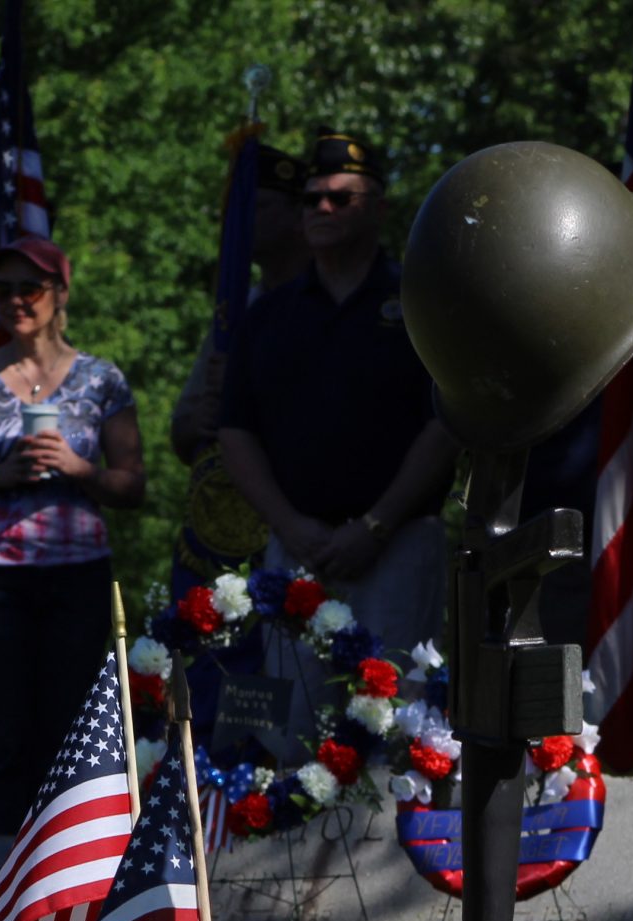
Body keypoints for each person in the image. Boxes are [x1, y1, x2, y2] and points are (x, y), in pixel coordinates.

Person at [219, 130, 459, 727]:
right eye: (311, 199)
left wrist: (376, 526)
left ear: (378, 207)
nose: (323, 209)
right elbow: (235, 432)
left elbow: (448, 420)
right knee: (291, 732)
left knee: (392, 725)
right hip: (296, 550)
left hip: (396, 548)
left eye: (342, 198)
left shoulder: (424, 302)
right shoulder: (269, 313)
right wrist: (290, 526)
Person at [0, 236, 145, 833]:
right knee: (0, 729)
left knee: (69, 727)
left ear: (59, 294)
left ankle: (66, 874)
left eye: (30, 287)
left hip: (77, 576)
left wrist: (78, 468)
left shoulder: (102, 380)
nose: (16, 300)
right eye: (2, 290)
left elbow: (133, 486)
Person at [166, 143, 312, 725]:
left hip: (296, 528)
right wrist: (203, 421)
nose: (241, 227)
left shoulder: (319, 308)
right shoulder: (238, 308)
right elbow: (184, 430)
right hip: (225, 541)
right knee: (216, 689)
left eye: (260, 208)